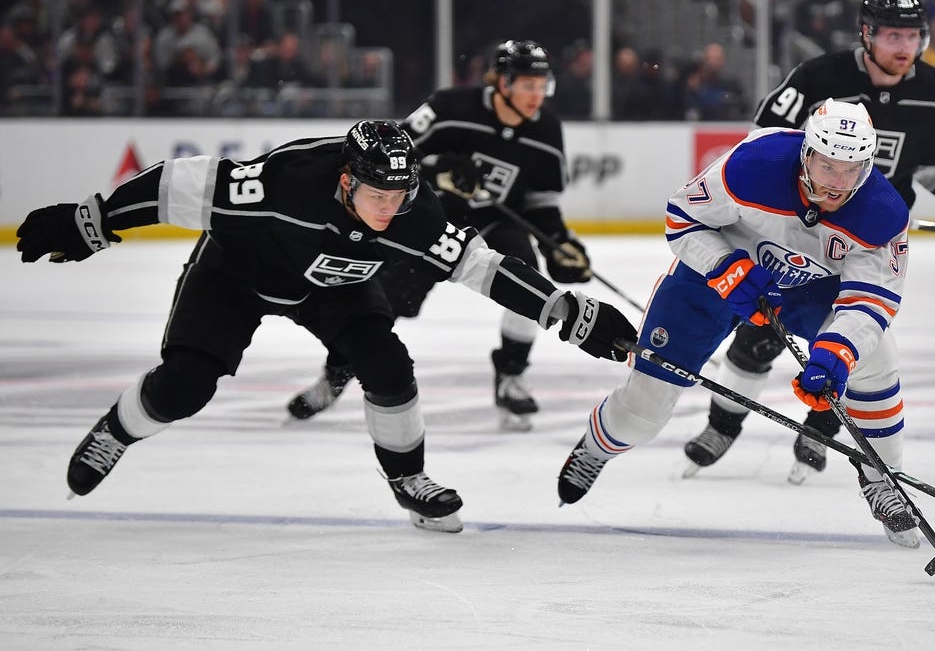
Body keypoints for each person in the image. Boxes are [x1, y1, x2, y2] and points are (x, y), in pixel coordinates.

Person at [15, 119, 636, 534]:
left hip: (333, 286)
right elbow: (179, 185)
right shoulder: (285, 185)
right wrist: (92, 222)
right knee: (184, 388)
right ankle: (117, 430)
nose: (391, 210)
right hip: (236, 273)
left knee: (388, 364)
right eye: (377, 197)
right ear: (345, 182)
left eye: (401, 195)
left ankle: (408, 480)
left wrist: (567, 312)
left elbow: (481, 266)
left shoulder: (412, 209)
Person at [681, 0, 935, 485]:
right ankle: (722, 426)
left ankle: (818, 433)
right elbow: (763, 147)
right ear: (866, 34)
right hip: (798, 235)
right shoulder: (818, 77)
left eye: (911, 36)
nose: (903, 47)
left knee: (848, 344)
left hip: (867, 245)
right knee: (758, 334)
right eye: (891, 35)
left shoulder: (933, 90)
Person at [557, 100, 922, 548]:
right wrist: (724, 266)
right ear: (807, 152)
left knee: (875, 357)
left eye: (851, 169)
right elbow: (682, 218)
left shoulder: (883, 211)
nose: (838, 183)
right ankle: (598, 446)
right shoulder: (754, 163)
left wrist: (838, 351)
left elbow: (871, 300)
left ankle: (883, 478)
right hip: (715, 278)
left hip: (810, 290)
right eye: (828, 166)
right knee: (644, 410)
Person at [287, 40, 596, 432]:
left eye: (541, 86)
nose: (537, 96)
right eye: (527, 85)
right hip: (430, 221)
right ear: (502, 82)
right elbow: (391, 156)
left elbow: (540, 202)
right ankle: (335, 375)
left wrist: (560, 241)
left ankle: (511, 376)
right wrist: (435, 169)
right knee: (380, 303)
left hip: (495, 222)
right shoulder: (450, 107)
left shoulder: (547, 129)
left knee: (528, 278)